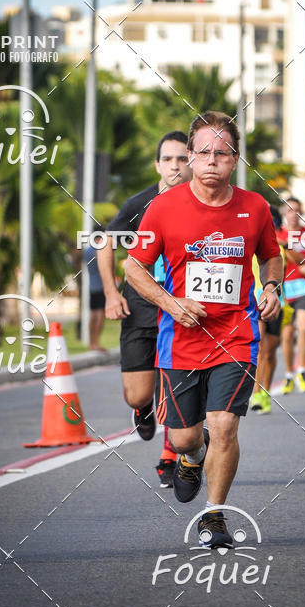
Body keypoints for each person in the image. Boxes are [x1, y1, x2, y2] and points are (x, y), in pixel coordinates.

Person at [125, 111, 283, 548]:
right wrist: (170, 303)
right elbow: (134, 267)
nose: (212, 159)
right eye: (204, 152)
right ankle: (193, 456)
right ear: (191, 157)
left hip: (237, 333)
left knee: (224, 425)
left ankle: (215, 515)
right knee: (184, 436)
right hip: (181, 339)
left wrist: (271, 285)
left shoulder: (254, 207)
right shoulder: (164, 207)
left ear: (235, 159)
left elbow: (272, 255)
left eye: (222, 152)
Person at [98, 131, 191, 488]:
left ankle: (170, 454)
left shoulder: (201, 202)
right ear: (157, 164)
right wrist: (110, 293)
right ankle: (142, 408)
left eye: (182, 158)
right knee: (139, 392)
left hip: (183, 309)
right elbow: (105, 242)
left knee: (173, 385)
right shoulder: (140, 204)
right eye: (168, 159)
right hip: (140, 305)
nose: (175, 166)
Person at [276, 198, 305, 394]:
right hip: (285, 288)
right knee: (287, 334)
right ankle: (289, 374)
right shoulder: (277, 234)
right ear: (283, 214)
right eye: (289, 210)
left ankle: (302, 370)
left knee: (303, 326)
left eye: (296, 210)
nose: (293, 214)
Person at [250, 205, 284, 414]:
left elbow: (284, 278)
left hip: (277, 302)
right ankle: (256, 392)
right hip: (255, 300)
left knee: (270, 351)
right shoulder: (249, 242)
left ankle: (266, 391)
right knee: (260, 347)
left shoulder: (278, 249)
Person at [85, 244, 107, 352]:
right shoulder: (100, 249)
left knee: (93, 314)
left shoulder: (87, 250)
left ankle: (91, 343)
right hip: (101, 285)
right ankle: (96, 342)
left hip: (92, 286)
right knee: (100, 314)